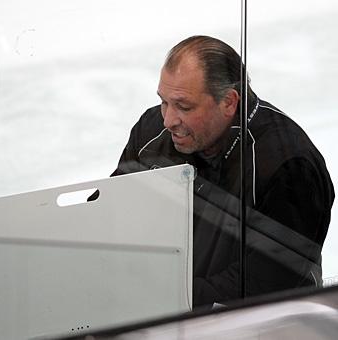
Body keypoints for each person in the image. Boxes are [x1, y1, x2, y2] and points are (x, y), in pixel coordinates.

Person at [112, 35, 334, 307]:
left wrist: (158, 297)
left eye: (184, 106)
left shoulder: (288, 166)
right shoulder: (151, 131)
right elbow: (112, 218)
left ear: (229, 102)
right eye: (164, 102)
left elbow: (263, 285)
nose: (168, 120)